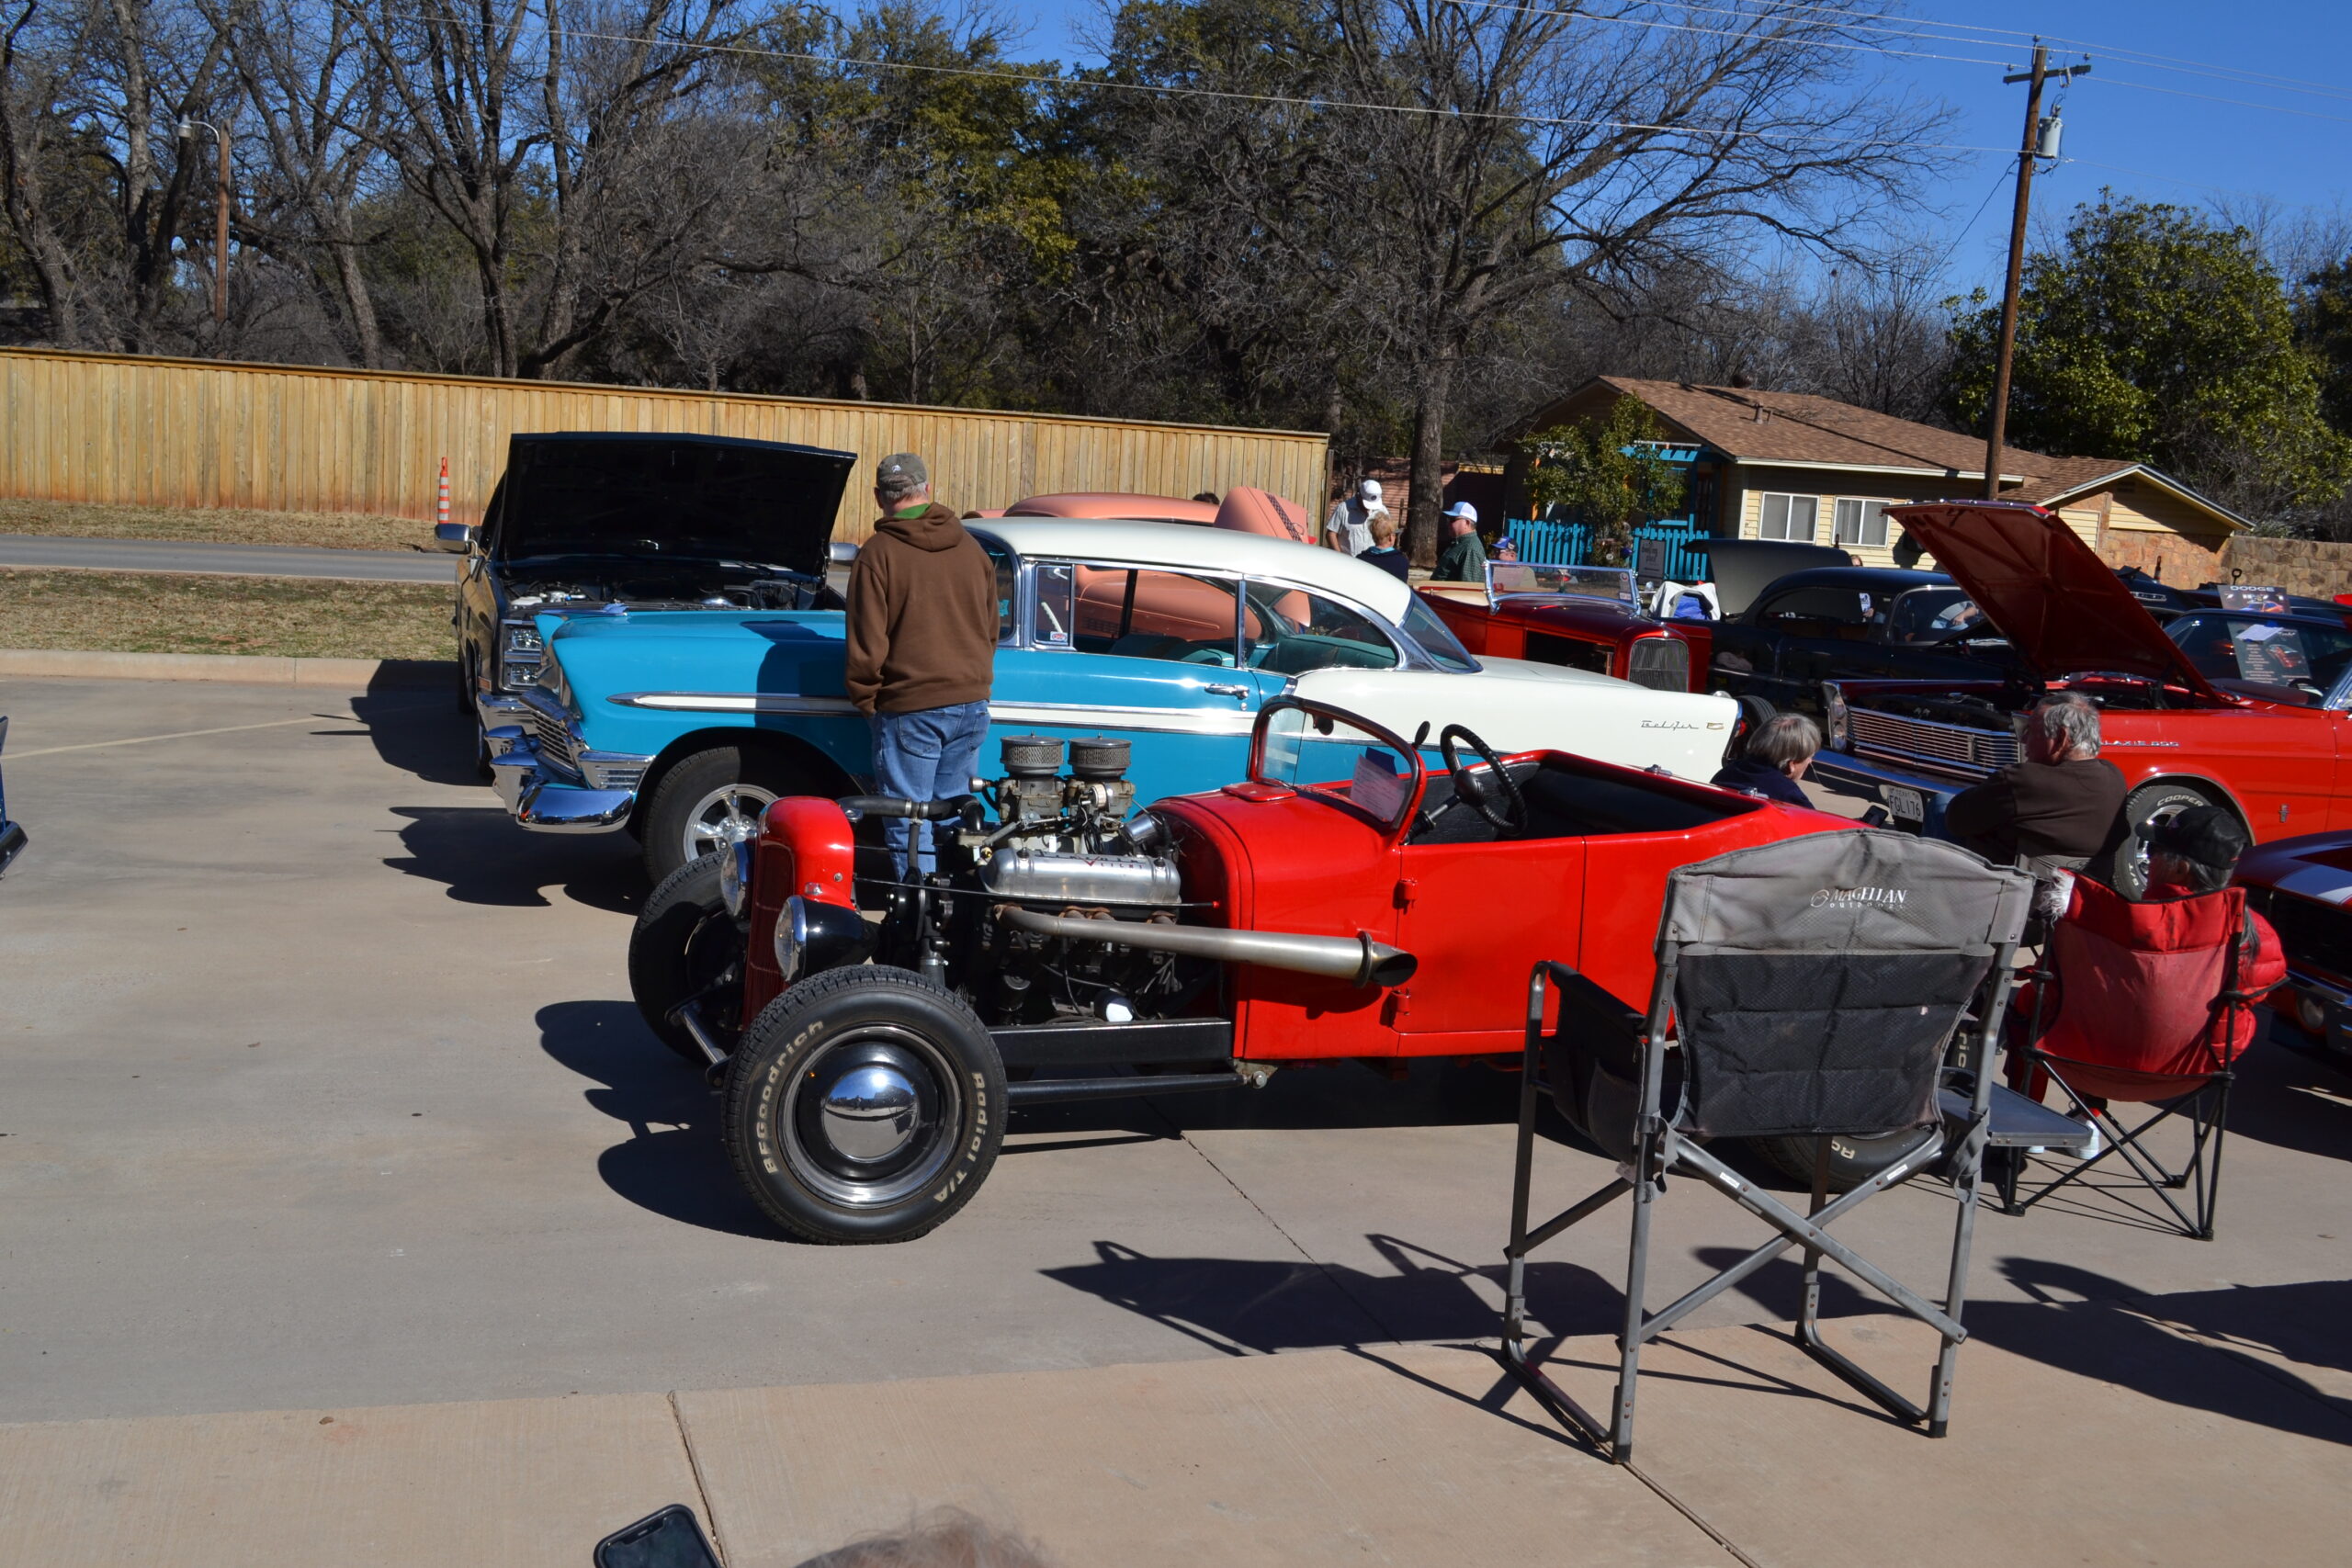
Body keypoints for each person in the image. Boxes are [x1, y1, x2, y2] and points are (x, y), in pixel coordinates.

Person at [843, 452, 999, 878]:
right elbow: (990, 631)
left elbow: (866, 643)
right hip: (971, 701)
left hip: (910, 708)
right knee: (955, 818)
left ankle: (920, 909)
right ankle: (955, 906)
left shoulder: (877, 554)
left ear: (879, 497)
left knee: (909, 821)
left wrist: (867, 701)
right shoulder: (972, 549)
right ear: (927, 489)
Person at [1944, 693, 2127, 865]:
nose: (2024, 739)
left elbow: (1956, 820)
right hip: (2085, 882)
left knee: (1941, 804)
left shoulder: (2023, 780)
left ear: (2060, 738)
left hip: (2008, 881)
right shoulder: (2114, 777)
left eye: (2030, 730)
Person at [1713, 712, 1818, 807]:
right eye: (1810, 757)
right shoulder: (1789, 796)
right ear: (1791, 764)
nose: (1810, 762)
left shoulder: (1726, 773)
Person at [1324, 479, 1385, 557]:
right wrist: (1339, 556)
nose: (1368, 508)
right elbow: (1331, 534)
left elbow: (1387, 535)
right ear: (1359, 496)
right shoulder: (1343, 509)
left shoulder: (1382, 510)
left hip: (1372, 561)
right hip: (1347, 560)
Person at [1433, 500, 1487, 583]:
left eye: (1452, 519)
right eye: (1448, 519)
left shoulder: (1471, 549)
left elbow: (1468, 587)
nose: (1448, 523)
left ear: (1467, 523)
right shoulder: (1460, 543)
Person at [1357, 511, 1411, 581]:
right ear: (1391, 537)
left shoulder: (1360, 559)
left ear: (1373, 537)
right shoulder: (1401, 562)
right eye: (1394, 535)